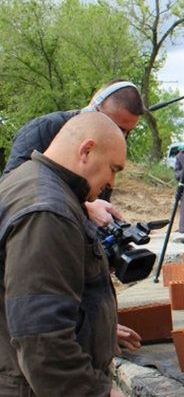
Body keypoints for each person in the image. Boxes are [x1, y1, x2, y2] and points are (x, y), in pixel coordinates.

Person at [0, 112, 127, 397]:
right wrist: (96, 392)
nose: (111, 183)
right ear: (86, 150)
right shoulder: (47, 211)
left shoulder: (27, 183)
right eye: (113, 168)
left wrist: (100, 327)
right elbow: (41, 337)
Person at [2, 79, 144, 228]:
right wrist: (86, 207)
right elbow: (13, 191)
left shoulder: (111, 147)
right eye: (117, 127)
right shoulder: (41, 129)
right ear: (93, 109)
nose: (122, 136)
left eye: (128, 132)